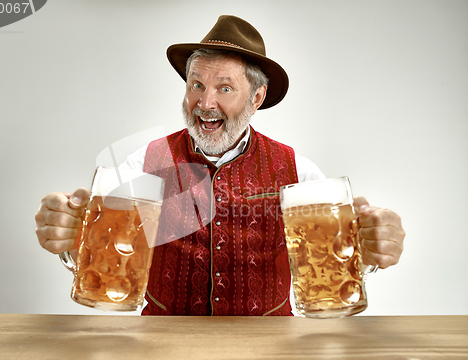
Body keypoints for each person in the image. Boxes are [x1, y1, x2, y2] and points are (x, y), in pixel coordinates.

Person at [35, 15, 405, 316]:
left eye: (225, 88)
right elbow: (101, 247)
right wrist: (69, 238)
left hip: (270, 349)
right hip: (161, 347)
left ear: (256, 97)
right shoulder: (143, 165)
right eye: (196, 85)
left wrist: (371, 250)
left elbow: (335, 257)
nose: (205, 102)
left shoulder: (298, 172)